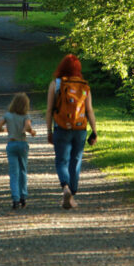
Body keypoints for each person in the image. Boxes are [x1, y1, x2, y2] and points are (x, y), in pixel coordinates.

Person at [45, 54, 97, 209]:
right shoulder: (84, 86)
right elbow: (89, 110)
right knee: (76, 160)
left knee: (61, 161)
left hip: (62, 128)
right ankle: (72, 194)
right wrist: (94, 131)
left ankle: (65, 188)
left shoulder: (56, 84)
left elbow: (49, 110)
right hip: (80, 129)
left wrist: (49, 131)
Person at [0, 92, 36, 210]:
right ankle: (23, 196)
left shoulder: (7, 115)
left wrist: (5, 130)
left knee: (14, 173)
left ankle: (15, 198)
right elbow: (28, 127)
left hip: (11, 144)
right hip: (22, 144)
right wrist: (31, 132)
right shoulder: (26, 116)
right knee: (23, 170)